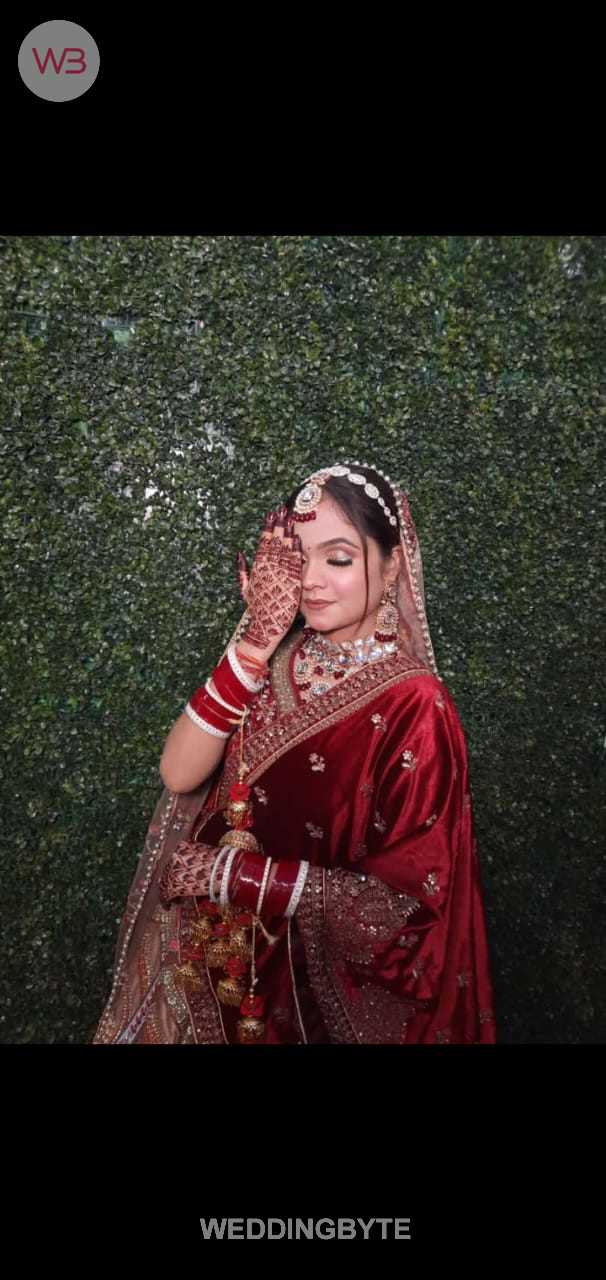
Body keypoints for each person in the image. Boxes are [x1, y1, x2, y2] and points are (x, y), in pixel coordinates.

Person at [93, 462, 496, 1044]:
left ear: (391, 568)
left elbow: (406, 911)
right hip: (207, 969)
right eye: (296, 560)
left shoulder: (416, 704)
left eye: (338, 559)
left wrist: (235, 876)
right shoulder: (271, 662)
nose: (310, 581)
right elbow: (179, 773)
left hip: (306, 1002)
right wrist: (256, 643)